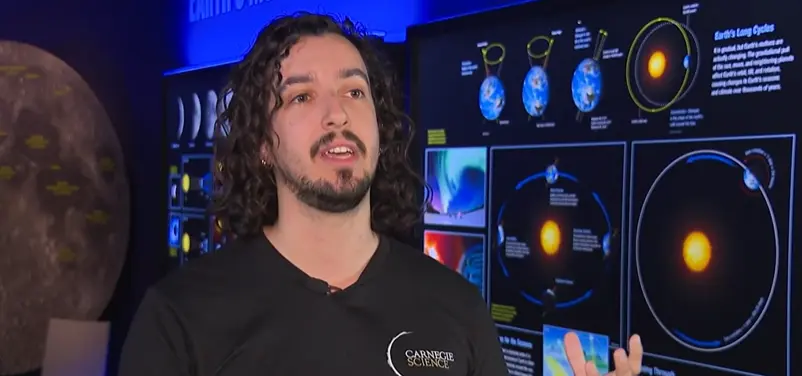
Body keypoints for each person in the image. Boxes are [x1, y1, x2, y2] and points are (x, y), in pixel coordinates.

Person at [118, 13, 643, 375]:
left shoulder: (455, 306)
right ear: (261, 145)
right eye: (302, 96)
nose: (337, 114)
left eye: (354, 90)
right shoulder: (181, 319)